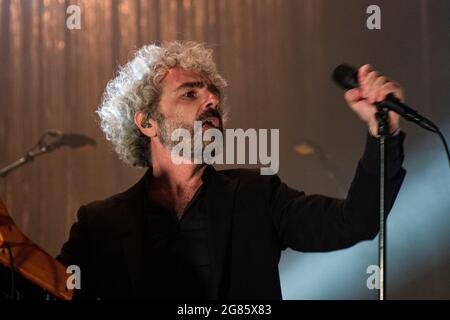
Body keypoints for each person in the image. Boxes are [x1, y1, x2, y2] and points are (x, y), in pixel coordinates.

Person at [57, 41, 406, 300]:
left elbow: (355, 221)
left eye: (212, 93)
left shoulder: (256, 194)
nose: (211, 100)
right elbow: (43, 288)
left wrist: (383, 135)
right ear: (148, 122)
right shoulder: (99, 224)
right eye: (190, 93)